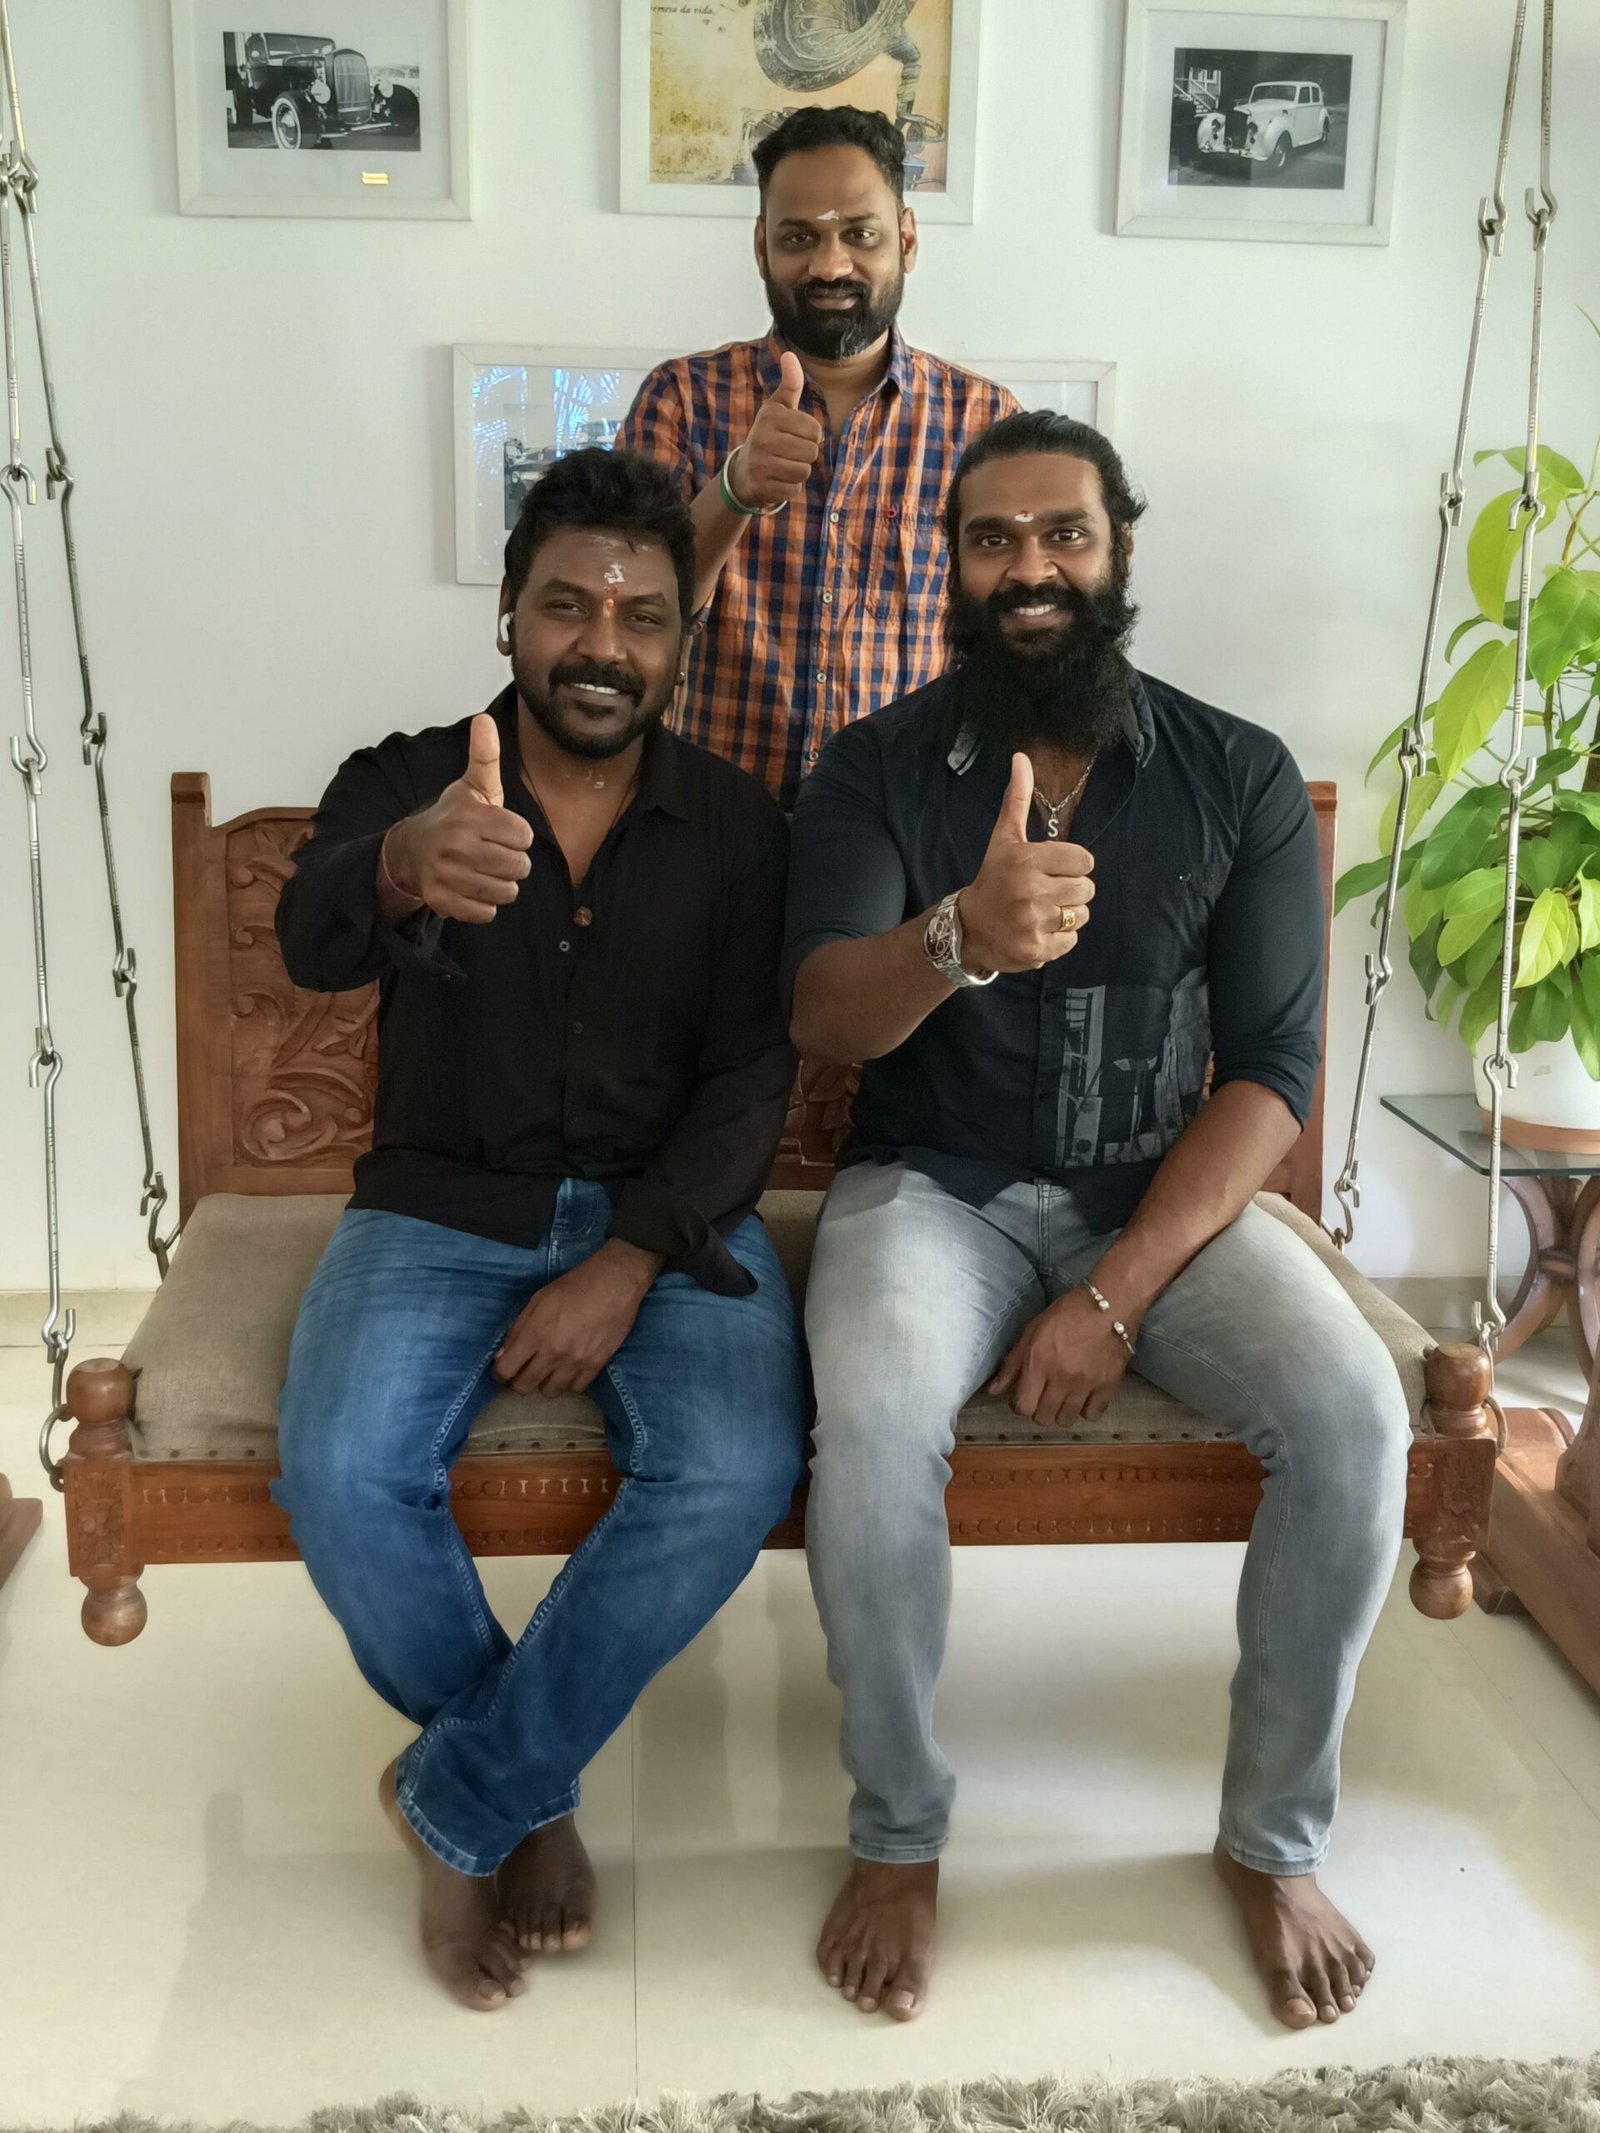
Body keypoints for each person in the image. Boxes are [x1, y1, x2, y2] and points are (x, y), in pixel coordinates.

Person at [784, 409, 1410, 2029]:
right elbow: (826, 1019)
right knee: (875, 1419)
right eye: (992, 539)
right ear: (951, 567)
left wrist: (1116, 1295)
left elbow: (1270, 1075)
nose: (1030, 568)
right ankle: (900, 1832)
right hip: (933, 1190)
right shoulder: (871, 769)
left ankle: (1273, 1843)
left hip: (1160, 1199)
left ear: (1119, 548)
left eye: (1063, 532)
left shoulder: (1236, 772)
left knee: (1356, 1410)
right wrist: (961, 936)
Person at [272, 448, 807, 2012]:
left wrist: (629, 1260)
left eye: (642, 615)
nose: (602, 642)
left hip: (670, 1213)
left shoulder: (739, 826)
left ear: (683, 637)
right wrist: (398, 863)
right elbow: (308, 938)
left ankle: (460, 1801)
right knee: (341, 1470)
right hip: (440, 1200)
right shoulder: (409, 778)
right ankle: (531, 1791)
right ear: (509, 616)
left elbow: (751, 1076)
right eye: (568, 605)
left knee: (732, 1465)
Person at [618, 103, 1018, 808]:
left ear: (906, 240)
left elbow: (1004, 645)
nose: (830, 265)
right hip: (707, 820)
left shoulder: (983, 422)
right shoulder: (680, 397)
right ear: (761, 247)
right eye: (799, 237)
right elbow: (629, 614)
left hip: (901, 827)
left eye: (860, 234)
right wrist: (734, 490)